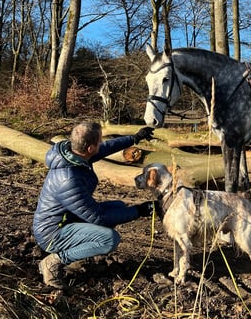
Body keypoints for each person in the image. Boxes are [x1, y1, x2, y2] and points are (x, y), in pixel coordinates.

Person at [32, 121, 158, 288]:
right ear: (90, 148)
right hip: (53, 233)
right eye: (98, 141)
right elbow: (99, 218)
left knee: (119, 206)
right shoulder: (68, 180)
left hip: (67, 219)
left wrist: (133, 139)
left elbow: (105, 148)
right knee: (109, 239)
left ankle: (78, 252)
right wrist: (141, 210)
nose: (101, 144)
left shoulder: (73, 154)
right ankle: (54, 261)